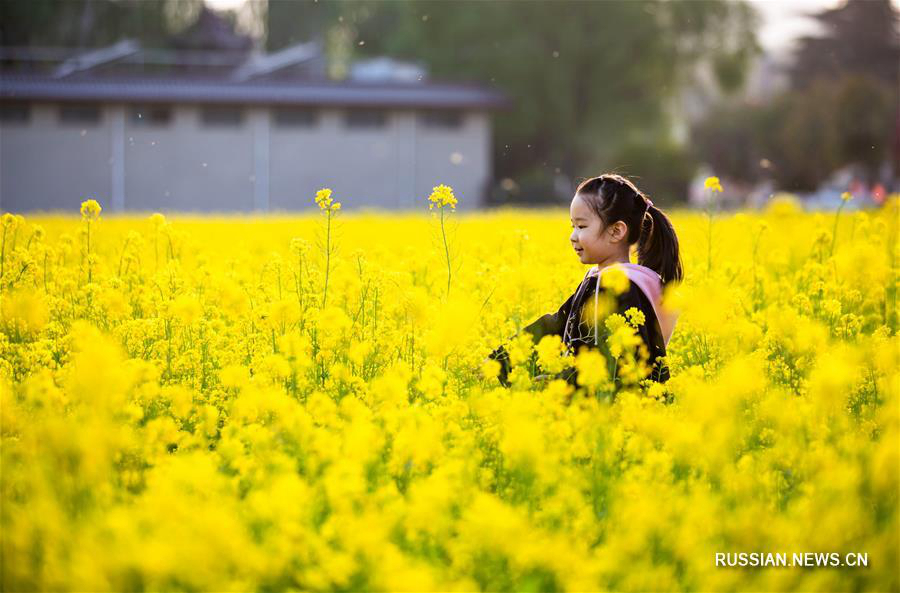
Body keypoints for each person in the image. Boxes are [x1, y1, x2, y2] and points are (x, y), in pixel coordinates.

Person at [487, 173, 683, 390]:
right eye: (572, 226)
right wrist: (500, 362)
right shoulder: (603, 280)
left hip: (615, 413)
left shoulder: (623, 287)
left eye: (581, 226)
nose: (572, 236)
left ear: (616, 231)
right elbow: (558, 326)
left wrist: (561, 384)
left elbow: (616, 363)